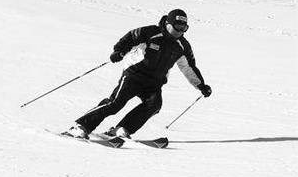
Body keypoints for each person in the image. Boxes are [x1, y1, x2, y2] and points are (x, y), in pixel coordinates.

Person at [64, 9, 212, 139]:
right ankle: (81, 127)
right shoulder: (151, 32)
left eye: (184, 27)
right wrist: (119, 51)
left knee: (154, 105)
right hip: (134, 75)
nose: (180, 31)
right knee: (115, 103)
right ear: (168, 23)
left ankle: (121, 130)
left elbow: (189, 67)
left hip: (154, 82)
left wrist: (200, 85)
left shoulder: (182, 46)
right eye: (178, 26)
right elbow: (131, 37)